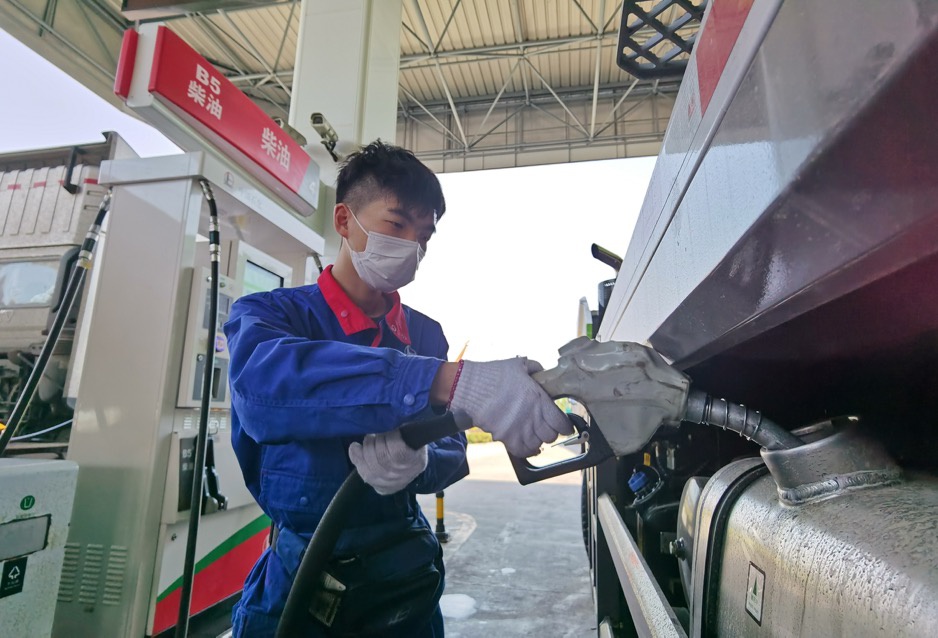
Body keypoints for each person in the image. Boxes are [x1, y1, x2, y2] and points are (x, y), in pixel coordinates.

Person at [225, 140, 573, 637]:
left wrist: (422, 461)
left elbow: (452, 447)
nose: (413, 247)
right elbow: (263, 389)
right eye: (397, 224)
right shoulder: (272, 314)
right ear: (344, 220)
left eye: (424, 236)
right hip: (298, 572)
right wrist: (443, 379)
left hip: (402, 571)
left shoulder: (426, 334)